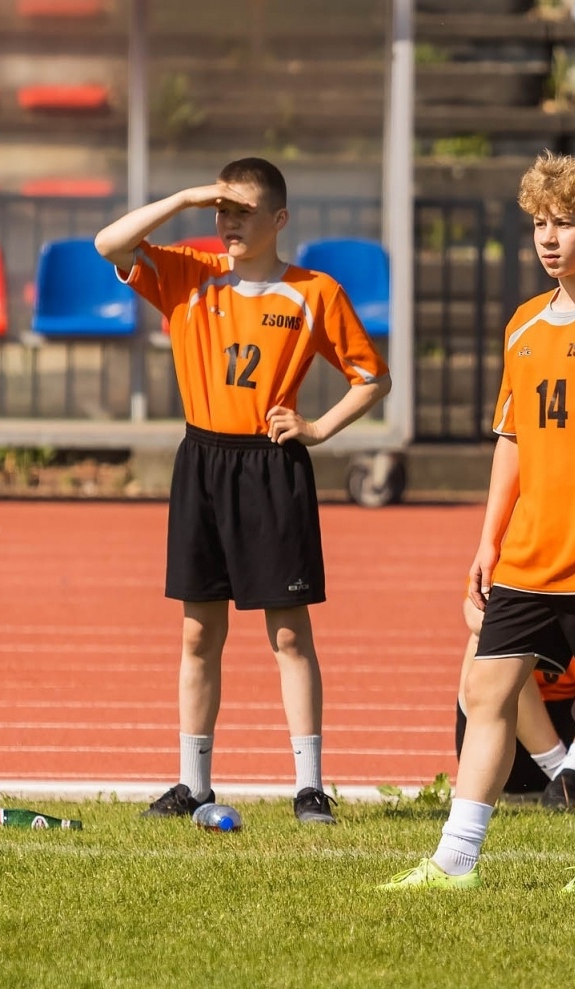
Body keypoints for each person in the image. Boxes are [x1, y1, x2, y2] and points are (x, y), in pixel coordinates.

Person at [380, 151, 575, 892]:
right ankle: (455, 859)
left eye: (566, 223)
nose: (549, 238)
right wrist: (488, 539)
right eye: (540, 224)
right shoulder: (523, 324)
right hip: (527, 553)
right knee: (486, 691)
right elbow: (509, 442)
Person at [93, 157, 391, 823]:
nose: (227, 222)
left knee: (288, 634)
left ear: (279, 220)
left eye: (243, 211)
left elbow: (372, 377)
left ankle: (310, 786)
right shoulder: (189, 276)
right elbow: (107, 245)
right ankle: (194, 783)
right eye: (220, 211)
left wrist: (317, 428)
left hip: (270, 467)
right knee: (199, 632)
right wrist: (186, 195)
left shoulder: (314, 292)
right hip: (201, 461)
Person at [454, 593, 575, 809]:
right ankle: (561, 774)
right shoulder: (508, 559)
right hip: (511, 737)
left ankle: (573, 770)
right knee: (486, 643)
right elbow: (474, 614)